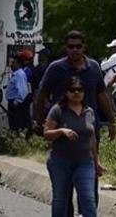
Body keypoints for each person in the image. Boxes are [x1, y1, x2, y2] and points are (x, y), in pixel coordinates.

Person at [44, 76, 102, 217]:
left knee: (88, 199)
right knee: (60, 199)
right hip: (60, 161)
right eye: (72, 90)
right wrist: (61, 131)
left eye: (80, 90)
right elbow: (47, 133)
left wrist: (96, 162)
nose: (76, 93)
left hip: (84, 162)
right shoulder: (58, 110)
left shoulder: (89, 112)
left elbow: (92, 138)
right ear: (66, 92)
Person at [6, 55, 31, 134]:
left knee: (16, 126)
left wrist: (17, 101)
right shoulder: (16, 74)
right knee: (13, 126)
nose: (11, 65)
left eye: (14, 63)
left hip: (16, 105)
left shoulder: (19, 75)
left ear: (19, 64)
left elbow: (23, 90)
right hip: (13, 103)